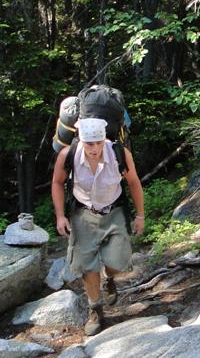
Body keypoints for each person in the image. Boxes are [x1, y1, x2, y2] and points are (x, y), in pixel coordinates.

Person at [52, 117, 145, 336]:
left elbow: (133, 182)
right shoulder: (68, 155)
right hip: (83, 213)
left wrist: (140, 215)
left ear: (105, 139)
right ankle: (95, 309)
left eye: (98, 143)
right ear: (80, 140)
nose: (94, 149)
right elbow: (57, 182)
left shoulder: (119, 154)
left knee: (118, 262)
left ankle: (109, 278)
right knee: (87, 265)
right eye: (89, 143)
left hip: (114, 211)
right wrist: (60, 216)